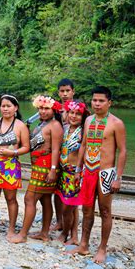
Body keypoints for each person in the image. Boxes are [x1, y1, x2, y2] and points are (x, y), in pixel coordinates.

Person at [68, 86, 127, 263]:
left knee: (105, 210)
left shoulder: (117, 123)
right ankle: (84, 245)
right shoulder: (88, 121)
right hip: (88, 170)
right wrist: (78, 170)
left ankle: (102, 248)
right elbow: (84, 146)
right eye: (94, 100)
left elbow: (122, 151)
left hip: (106, 172)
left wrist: (118, 177)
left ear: (109, 103)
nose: (97, 104)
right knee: (86, 208)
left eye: (101, 101)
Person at [10, 95, 63, 244]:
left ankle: (23, 234)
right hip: (38, 166)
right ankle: (44, 233)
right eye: (40, 108)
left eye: (47, 109)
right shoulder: (41, 124)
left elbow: (55, 150)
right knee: (45, 200)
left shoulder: (55, 125)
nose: (43, 111)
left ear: (54, 110)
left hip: (46, 167)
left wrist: (53, 170)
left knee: (29, 198)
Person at [0, 95, 30, 239]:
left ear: (16, 108)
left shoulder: (20, 126)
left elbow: (26, 147)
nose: (5, 109)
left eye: (9, 106)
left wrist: (12, 152)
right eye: (3, 106)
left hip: (10, 167)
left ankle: (11, 228)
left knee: (11, 198)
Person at [55, 100, 89, 245]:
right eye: (71, 113)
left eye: (78, 114)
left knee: (68, 207)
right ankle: (72, 234)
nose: (74, 116)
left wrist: (78, 171)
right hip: (62, 172)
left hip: (74, 174)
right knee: (67, 205)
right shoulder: (64, 128)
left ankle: (66, 233)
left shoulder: (83, 132)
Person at [53, 78, 76, 231]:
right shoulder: (54, 108)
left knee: (72, 193)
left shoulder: (77, 109)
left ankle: (72, 225)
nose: (65, 94)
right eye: (62, 91)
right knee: (56, 189)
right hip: (57, 151)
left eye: (68, 91)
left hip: (72, 155)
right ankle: (59, 221)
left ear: (73, 91)